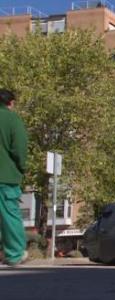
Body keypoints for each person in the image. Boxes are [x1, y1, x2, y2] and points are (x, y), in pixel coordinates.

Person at [0, 89, 28, 266]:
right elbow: (19, 148)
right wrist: (21, 168)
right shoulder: (12, 119)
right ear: (10, 103)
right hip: (5, 176)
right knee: (10, 216)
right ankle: (14, 254)